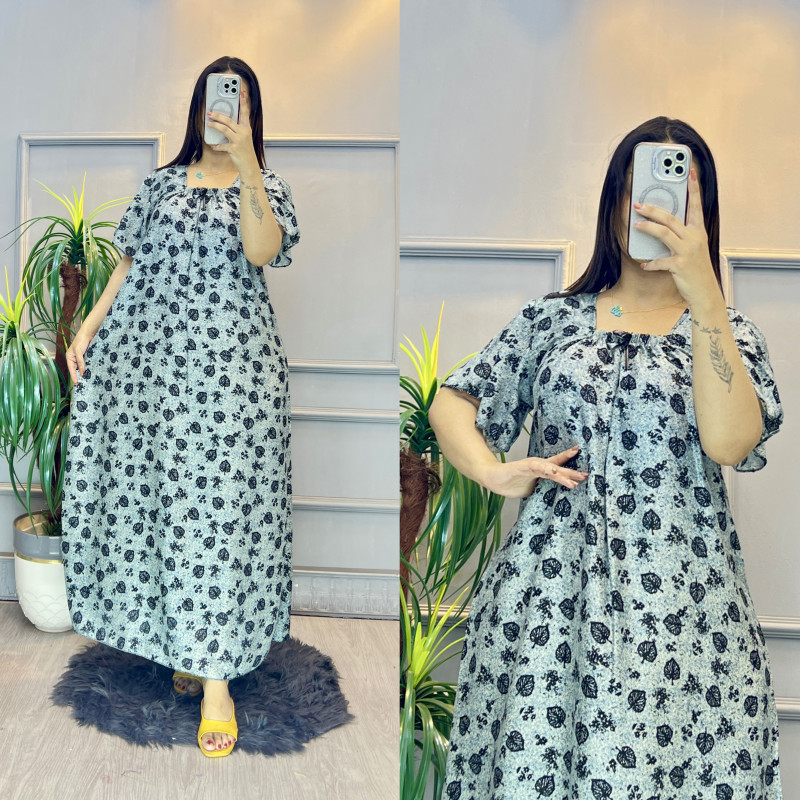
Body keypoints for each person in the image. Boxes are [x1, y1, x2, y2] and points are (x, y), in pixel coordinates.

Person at [431, 117, 783, 799]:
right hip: (548, 597)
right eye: (639, 189)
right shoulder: (553, 320)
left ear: (705, 212)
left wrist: (705, 295)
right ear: (614, 200)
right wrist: (493, 472)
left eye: (680, 194)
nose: (655, 209)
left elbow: (730, 443)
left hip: (683, 610)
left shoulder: (729, 333)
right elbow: (453, 401)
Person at [61, 56, 300, 757]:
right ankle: (187, 646)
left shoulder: (270, 187)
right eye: (215, 100)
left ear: (252, 113)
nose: (224, 111)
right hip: (153, 372)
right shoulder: (159, 185)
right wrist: (87, 329)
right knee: (168, 508)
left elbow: (261, 251)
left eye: (238, 102)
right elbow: (128, 265)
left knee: (220, 517)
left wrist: (248, 165)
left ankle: (218, 683)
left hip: (233, 378)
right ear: (197, 109)